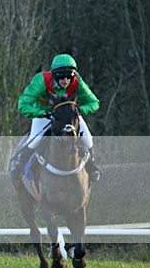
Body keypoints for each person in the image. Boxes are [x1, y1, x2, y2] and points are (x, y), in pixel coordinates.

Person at [10, 53, 101, 182]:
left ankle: (91, 166)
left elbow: (94, 102)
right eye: (61, 76)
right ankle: (19, 166)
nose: (65, 80)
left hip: (69, 115)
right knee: (36, 139)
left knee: (87, 138)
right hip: (45, 114)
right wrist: (40, 112)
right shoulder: (41, 80)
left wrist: (80, 110)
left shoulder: (77, 81)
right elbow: (23, 104)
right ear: (54, 75)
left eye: (69, 76)